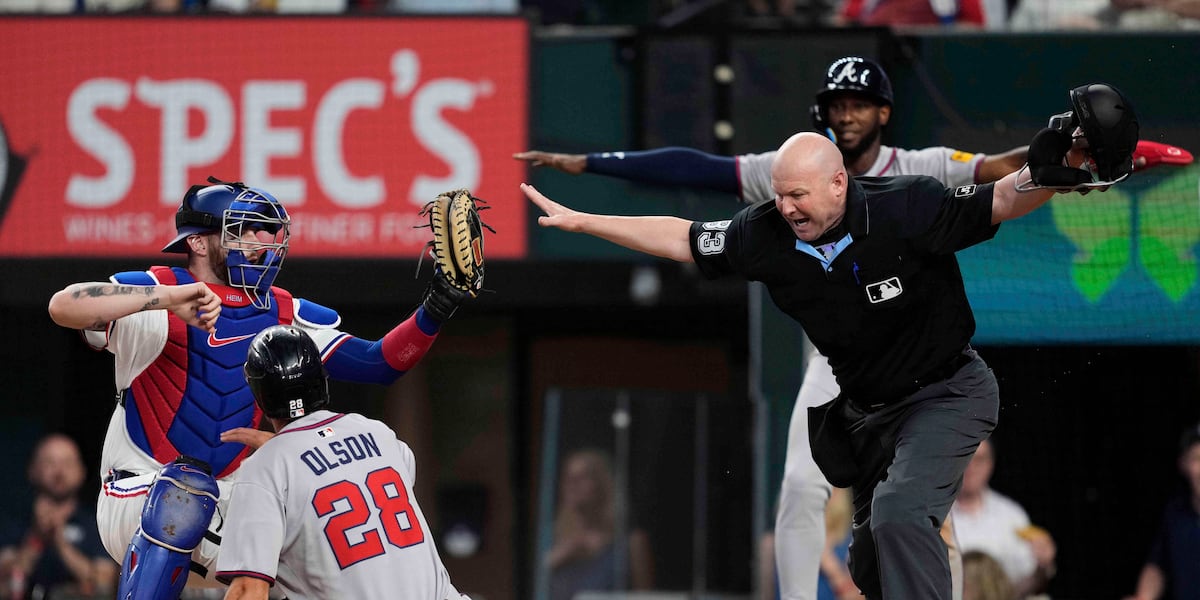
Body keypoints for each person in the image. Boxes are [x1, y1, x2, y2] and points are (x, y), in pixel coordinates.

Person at [520, 81, 1138, 597]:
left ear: (839, 184)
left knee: (900, 515)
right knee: (869, 562)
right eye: (780, 194)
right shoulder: (763, 234)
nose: (786, 206)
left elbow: (1003, 197)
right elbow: (682, 237)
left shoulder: (908, 207)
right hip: (868, 414)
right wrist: (584, 221)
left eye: (798, 195)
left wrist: (1057, 172)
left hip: (947, 393)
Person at [46, 178, 478, 600]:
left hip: (230, 499)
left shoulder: (281, 310)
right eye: (244, 229)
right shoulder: (154, 288)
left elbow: (379, 363)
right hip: (139, 492)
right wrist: (169, 298)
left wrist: (435, 309)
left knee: (329, 526)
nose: (260, 240)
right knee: (183, 494)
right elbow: (63, 306)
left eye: (266, 230)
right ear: (198, 242)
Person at [213, 325, 466, 599]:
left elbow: (248, 591)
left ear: (260, 393)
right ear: (321, 379)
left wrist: (282, 454)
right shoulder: (378, 433)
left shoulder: (264, 468)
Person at [0, 433, 116, 599]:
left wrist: (60, 543)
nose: (59, 471)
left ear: (81, 472)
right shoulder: (14, 522)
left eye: (68, 463)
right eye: (50, 462)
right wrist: (36, 539)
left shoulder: (98, 524)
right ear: (32, 470)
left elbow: (104, 586)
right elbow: (5, 582)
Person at [950, 439, 1057, 597]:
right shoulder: (937, 516)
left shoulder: (1011, 516)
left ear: (990, 464)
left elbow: (1028, 583)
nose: (971, 467)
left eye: (979, 460)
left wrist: (1042, 566)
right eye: (965, 458)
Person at [546, 448, 654, 600]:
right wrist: (553, 561)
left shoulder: (631, 544)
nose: (572, 484)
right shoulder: (549, 538)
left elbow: (645, 596)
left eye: (582, 477)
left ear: (602, 484)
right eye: (568, 477)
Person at [1124, 422, 1200, 600]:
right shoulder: (1176, 513)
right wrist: (1143, 597)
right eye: (1197, 458)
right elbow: (1157, 565)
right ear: (1184, 465)